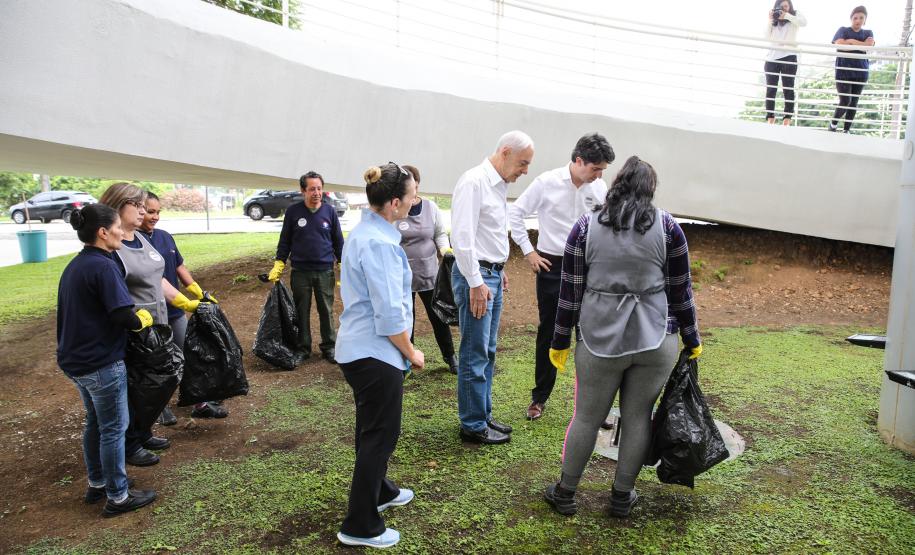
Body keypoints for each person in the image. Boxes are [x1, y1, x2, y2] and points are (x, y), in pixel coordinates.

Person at [543, 156, 702, 518]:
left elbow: (570, 291)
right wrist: (692, 337)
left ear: (616, 184)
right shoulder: (669, 228)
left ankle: (566, 492)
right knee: (637, 417)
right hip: (655, 338)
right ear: (650, 190)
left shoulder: (585, 226)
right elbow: (681, 291)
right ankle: (621, 496)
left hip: (600, 339)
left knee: (585, 417)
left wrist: (560, 341)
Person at [334, 162, 425, 549]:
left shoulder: (370, 231)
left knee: (371, 430)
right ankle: (360, 525)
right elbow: (389, 315)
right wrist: (411, 351)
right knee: (380, 436)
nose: (415, 200)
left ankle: (382, 491)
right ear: (393, 203)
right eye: (411, 195)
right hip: (375, 352)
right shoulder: (380, 243)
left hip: (363, 350)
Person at [56, 203, 157, 517]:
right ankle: (118, 496)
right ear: (103, 232)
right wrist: (143, 319)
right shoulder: (103, 265)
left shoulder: (79, 264)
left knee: (97, 423)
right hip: (100, 362)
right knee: (114, 427)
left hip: (75, 361)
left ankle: (98, 482)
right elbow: (121, 314)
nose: (122, 232)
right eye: (117, 227)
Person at [509, 133, 614, 421]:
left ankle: (593, 404)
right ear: (579, 160)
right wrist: (529, 252)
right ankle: (539, 397)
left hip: (589, 268)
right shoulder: (546, 182)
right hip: (552, 267)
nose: (599, 175)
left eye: (603, 170)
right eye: (595, 168)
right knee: (550, 333)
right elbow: (516, 213)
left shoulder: (600, 187)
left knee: (590, 334)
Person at [99, 182, 203, 467]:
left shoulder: (140, 239)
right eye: (139, 206)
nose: (144, 211)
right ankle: (131, 443)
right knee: (139, 387)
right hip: (136, 332)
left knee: (157, 382)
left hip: (157, 326)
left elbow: (157, 278)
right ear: (120, 206)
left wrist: (184, 301)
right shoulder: (113, 248)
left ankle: (142, 432)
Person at [451, 130, 534, 445]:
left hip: (491, 275)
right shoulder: (474, 182)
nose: (525, 170)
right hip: (478, 278)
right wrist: (477, 281)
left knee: (487, 350)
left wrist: (499, 269)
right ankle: (472, 425)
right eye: (523, 163)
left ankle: (482, 415)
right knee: (474, 353)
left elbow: (490, 231)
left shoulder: (498, 185)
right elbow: (462, 237)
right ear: (505, 151)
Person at [140, 192, 227, 422]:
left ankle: (198, 402)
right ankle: (158, 408)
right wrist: (186, 301)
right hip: (150, 316)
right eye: (150, 212)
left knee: (187, 355)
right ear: (138, 211)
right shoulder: (134, 243)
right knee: (157, 363)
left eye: (158, 212)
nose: (155, 216)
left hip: (175, 313)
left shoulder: (165, 237)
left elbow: (179, 267)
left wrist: (198, 291)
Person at [267, 172, 345, 363]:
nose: (317, 193)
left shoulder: (330, 212)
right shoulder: (293, 212)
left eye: (319, 188)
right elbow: (284, 241)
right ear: (303, 191)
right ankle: (303, 348)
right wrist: (279, 262)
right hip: (300, 272)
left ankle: (329, 347)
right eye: (312, 189)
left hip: (325, 271)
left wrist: (343, 264)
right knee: (301, 311)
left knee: (326, 310)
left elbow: (338, 242)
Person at [394, 164, 457, 374]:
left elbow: (439, 233)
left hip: (430, 275)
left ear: (417, 184)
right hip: (404, 277)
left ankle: (450, 357)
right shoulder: (396, 209)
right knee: (406, 320)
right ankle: (406, 362)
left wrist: (445, 249)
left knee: (438, 317)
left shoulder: (431, 208)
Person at [829, 6, 874, 133]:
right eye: (855, 18)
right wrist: (861, 44)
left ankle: (846, 131)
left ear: (865, 20)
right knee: (845, 100)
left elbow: (869, 46)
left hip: (861, 72)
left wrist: (850, 42)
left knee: (854, 102)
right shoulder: (842, 30)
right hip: (843, 72)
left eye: (861, 18)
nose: (858, 20)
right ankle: (833, 125)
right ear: (851, 19)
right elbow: (839, 45)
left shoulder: (868, 33)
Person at [764, 0, 807, 125]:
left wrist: (786, 15)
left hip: (789, 56)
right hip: (772, 58)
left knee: (788, 88)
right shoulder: (774, 20)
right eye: (781, 7)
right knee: (771, 89)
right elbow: (766, 36)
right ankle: (770, 117)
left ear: (790, 7)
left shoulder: (794, 16)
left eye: (786, 6)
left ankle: (787, 118)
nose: (783, 9)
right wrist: (770, 20)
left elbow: (804, 22)